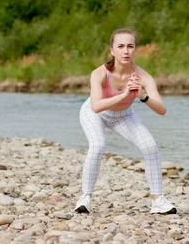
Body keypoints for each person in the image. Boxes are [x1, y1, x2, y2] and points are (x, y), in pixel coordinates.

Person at [75, 27, 176, 215]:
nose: (126, 51)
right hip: (94, 113)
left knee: (150, 148)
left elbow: (161, 110)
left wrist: (142, 96)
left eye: (130, 46)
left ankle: (158, 201)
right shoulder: (99, 74)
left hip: (124, 116)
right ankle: (85, 198)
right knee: (97, 145)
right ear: (112, 51)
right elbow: (97, 106)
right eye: (120, 46)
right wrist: (124, 95)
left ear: (135, 50)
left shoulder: (143, 77)